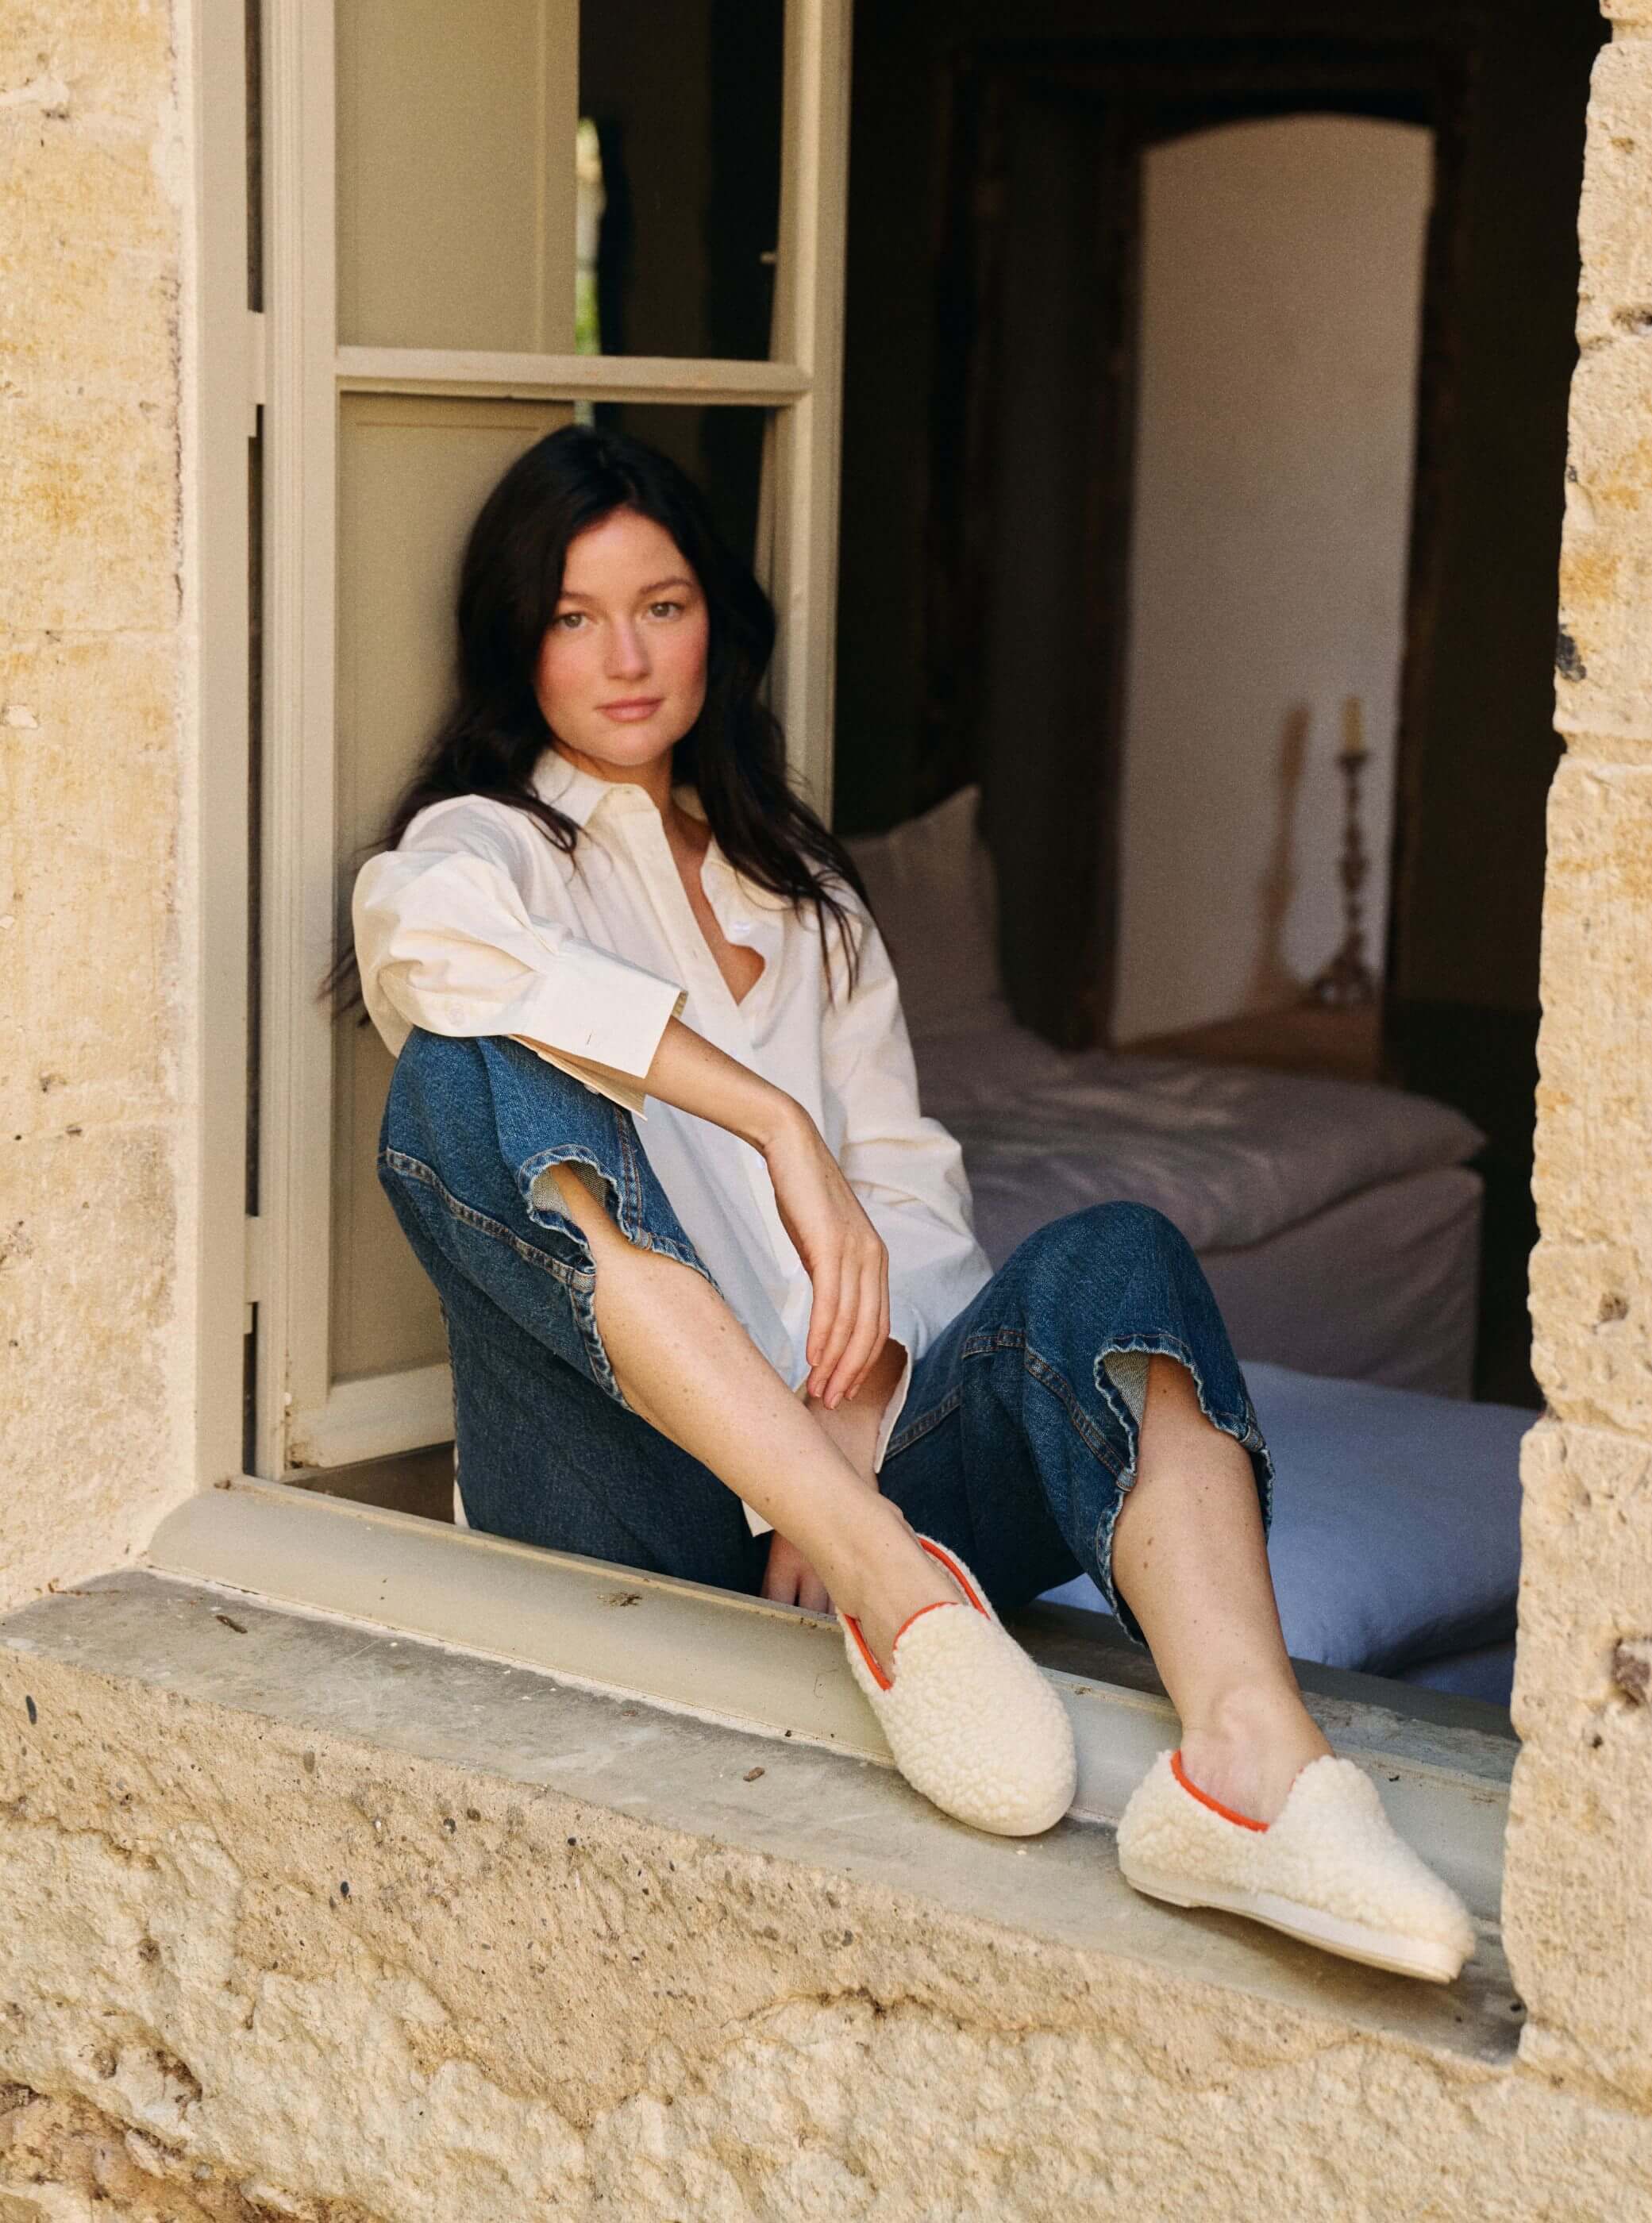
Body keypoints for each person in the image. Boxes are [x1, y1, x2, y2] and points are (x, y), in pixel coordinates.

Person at [341, 423, 1474, 1982]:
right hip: (629, 1489)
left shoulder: (799, 889)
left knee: (1118, 1258)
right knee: (461, 1074)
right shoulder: (488, 849)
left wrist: (863, 1423)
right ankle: (888, 1578)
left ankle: (1251, 1772)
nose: (627, 658)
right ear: (513, 645)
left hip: (862, 1480)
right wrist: (770, 1122)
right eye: (572, 616)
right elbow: (425, 949)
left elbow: (916, 1206)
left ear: (717, 620)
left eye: (661, 606)